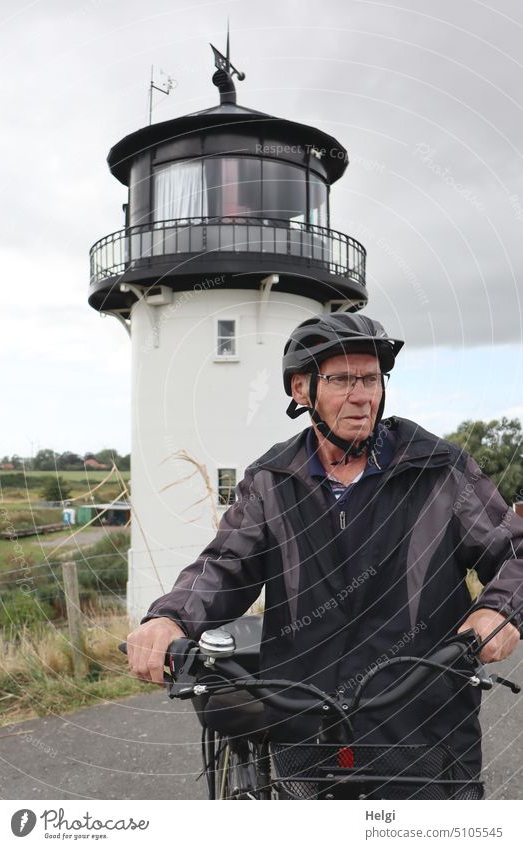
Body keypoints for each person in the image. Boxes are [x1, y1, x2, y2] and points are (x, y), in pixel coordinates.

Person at [127, 313, 523, 786]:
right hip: (304, 727)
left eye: (372, 378)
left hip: (425, 726)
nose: (362, 395)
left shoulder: (439, 470)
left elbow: (514, 553)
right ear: (301, 390)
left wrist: (499, 612)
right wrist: (170, 617)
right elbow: (226, 565)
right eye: (340, 379)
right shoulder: (272, 481)